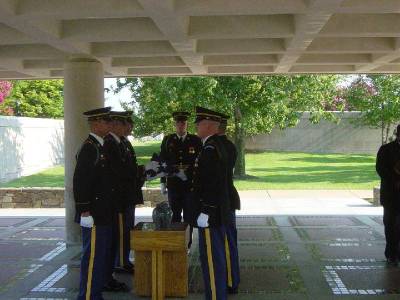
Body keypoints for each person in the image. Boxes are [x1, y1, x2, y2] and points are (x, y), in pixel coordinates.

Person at [73, 106, 114, 300]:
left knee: (99, 258)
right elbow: (80, 181)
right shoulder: (89, 148)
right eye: (106, 121)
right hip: (93, 214)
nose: (109, 124)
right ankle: (88, 296)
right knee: (92, 259)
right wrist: (84, 211)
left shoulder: (100, 146)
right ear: (96, 124)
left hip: (103, 212)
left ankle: (94, 294)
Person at [192, 107, 231, 300]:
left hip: (211, 214)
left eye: (198, 124)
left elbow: (212, 183)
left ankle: (215, 297)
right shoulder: (217, 145)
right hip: (217, 212)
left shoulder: (210, 149)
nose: (196, 128)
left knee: (211, 259)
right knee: (216, 257)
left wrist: (206, 210)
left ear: (208, 126)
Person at [159, 111, 202, 247]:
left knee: (189, 216)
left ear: (187, 124)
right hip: (174, 184)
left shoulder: (195, 140)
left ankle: (187, 243)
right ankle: (176, 243)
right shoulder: (168, 140)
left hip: (189, 184)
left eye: (183, 123)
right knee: (175, 215)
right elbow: (162, 162)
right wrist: (162, 182)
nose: (181, 126)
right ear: (175, 124)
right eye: (178, 123)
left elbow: (200, 162)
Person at [102, 111, 131, 292]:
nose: (127, 127)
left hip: (121, 198)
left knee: (115, 239)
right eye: (123, 124)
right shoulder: (109, 144)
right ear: (114, 125)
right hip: (115, 200)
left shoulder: (120, 143)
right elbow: (116, 173)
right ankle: (108, 276)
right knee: (112, 241)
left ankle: (109, 275)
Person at [114, 111, 145, 273]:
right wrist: (142, 171)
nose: (131, 129)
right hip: (121, 198)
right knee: (121, 231)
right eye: (128, 126)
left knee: (127, 230)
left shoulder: (124, 142)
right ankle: (119, 262)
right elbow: (120, 173)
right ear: (118, 125)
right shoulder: (113, 144)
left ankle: (124, 259)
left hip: (128, 196)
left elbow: (130, 168)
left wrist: (145, 170)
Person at [217, 112, 240, 293]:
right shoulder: (229, 145)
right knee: (229, 241)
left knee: (227, 242)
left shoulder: (218, 147)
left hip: (223, 201)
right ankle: (232, 279)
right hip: (227, 199)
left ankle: (231, 281)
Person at [376, 124, 400, 265]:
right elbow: (380, 168)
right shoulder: (386, 149)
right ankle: (391, 253)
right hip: (391, 194)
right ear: (397, 133)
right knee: (390, 225)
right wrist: (395, 181)